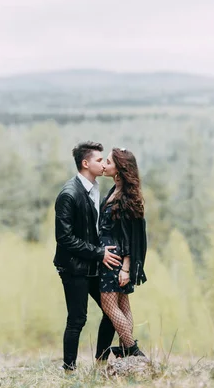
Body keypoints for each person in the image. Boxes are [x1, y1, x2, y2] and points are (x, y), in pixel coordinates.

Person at [53, 141, 122, 371]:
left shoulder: (94, 188)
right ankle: (69, 371)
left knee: (111, 313)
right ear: (85, 163)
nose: (103, 164)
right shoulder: (69, 194)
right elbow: (64, 238)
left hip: (93, 264)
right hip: (74, 267)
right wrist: (98, 253)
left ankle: (100, 364)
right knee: (77, 319)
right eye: (99, 160)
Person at [99, 147, 147, 357]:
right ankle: (128, 350)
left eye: (108, 162)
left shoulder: (126, 196)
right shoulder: (116, 190)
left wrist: (126, 269)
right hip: (112, 256)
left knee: (109, 307)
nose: (104, 165)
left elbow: (130, 236)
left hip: (114, 258)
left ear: (119, 168)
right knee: (122, 304)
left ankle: (132, 349)